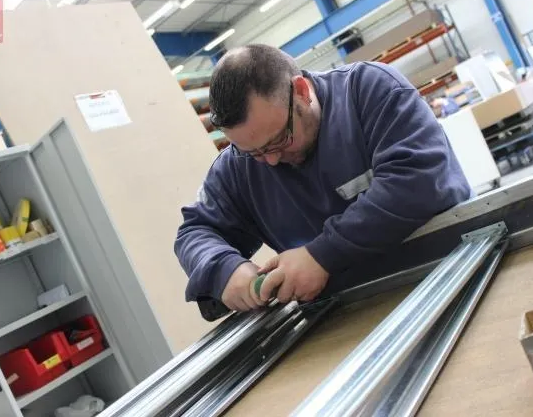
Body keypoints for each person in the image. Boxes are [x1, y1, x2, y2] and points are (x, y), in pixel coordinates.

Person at [174, 44, 472, 312]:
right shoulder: (238, 167)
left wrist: (322, 254)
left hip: (451, 272)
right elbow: (196, 231)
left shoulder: (369, 90)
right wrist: (223, 268)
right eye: (253, 152)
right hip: (346, 310)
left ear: (302, 91)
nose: (271, 160)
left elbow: (418, 181)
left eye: (279, 140)